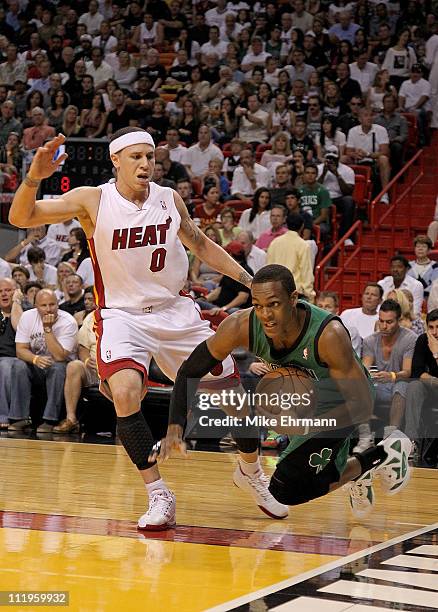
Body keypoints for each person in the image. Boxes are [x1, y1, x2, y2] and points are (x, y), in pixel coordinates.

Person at [9, 128, 283, 530]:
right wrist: (34, 177)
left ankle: (250, 471)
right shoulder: (93, 200)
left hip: (176, 312)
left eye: (150, 157)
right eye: (135, 157)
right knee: (124, 393)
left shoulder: (168, 198)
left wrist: (249, 279)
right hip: (123, 315)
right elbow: (20, 217)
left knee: (232, 402)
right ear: (116, 160)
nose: (145, 164)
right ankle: (158, 492)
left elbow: (202, 244)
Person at [156, 265, 412, 519]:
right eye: (257, 305)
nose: (265, 314)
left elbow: (362, 405)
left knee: (293, 483)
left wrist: (311, 424)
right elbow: (189, 370)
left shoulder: (328, 335)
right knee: (284, 490)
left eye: (274, 304)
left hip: (346, 399)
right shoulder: (239, 325)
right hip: (305, 400)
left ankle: (385, 451)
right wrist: (175, 426)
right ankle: (364, 466)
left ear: (293, 299)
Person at [14, 288, 78, 433]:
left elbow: (60, 356)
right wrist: (35, 359)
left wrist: (47, 329)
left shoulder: (68, 322)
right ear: (35, 306)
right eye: (43, 305)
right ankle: (20, 417)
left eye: (52, 304)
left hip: (62, 367)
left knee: (58, 367)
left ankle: (50, 420)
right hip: (37, 364)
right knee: (18, 365)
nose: (48, 309)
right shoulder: (27, 317)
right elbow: (20, 350)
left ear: (58, 304)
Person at [361, 298, 417, 445]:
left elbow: (407, 371)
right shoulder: (369, 341)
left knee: (402, 385)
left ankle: (390, 437)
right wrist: (367, 374)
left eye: (389, 322)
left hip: (398, 383)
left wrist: (391, 376)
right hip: (378, 386)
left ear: (399, 320)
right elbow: (365, 366)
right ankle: (364, 437)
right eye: (381, 321)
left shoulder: (410, 338)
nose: (384, 326)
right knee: (362, 384)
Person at [53, 296, 99, 434]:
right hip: (94, 368)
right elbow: (82, 347)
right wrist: (86, 361)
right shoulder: (92, 317)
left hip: (117, 369)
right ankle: (71, 419)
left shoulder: (126, 317)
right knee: (74, 366)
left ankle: (124, 426)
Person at [404, 309, 438, 460]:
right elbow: (416, 372)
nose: (435, 332)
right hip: (432, 388)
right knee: (414, 386)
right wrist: (434, 381)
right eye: (431, 327)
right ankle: (412, 442)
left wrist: (436, 354)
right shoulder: (423, 340)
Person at [266, 213, 315, 302]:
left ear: (286, 224)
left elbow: (268, 268)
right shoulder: (303, 245)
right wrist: (310, 296)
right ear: (302, 226)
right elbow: (306, 272)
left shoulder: (274, 242)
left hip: (275, 291)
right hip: (294, 293)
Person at [0, 277, 25, 429]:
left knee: (5, 365)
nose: (3, 294)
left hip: (15, 359)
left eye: (8, 290)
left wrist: (16, 302)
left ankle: (3, 415)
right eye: (0, 291)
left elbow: (19, 327)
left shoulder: (25, 311)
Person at [317, 150, 355, 242]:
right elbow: (314, 189)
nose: (331, 161)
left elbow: (348, 191)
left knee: (349, 201)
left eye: (333, 159)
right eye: (329, 159)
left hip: (339, 198)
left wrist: (337, 174)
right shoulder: (318, 168)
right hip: (322, 197)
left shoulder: (347, 170)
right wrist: (324, 174)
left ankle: (345, 236)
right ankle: (328, 237)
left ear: (338, 159)